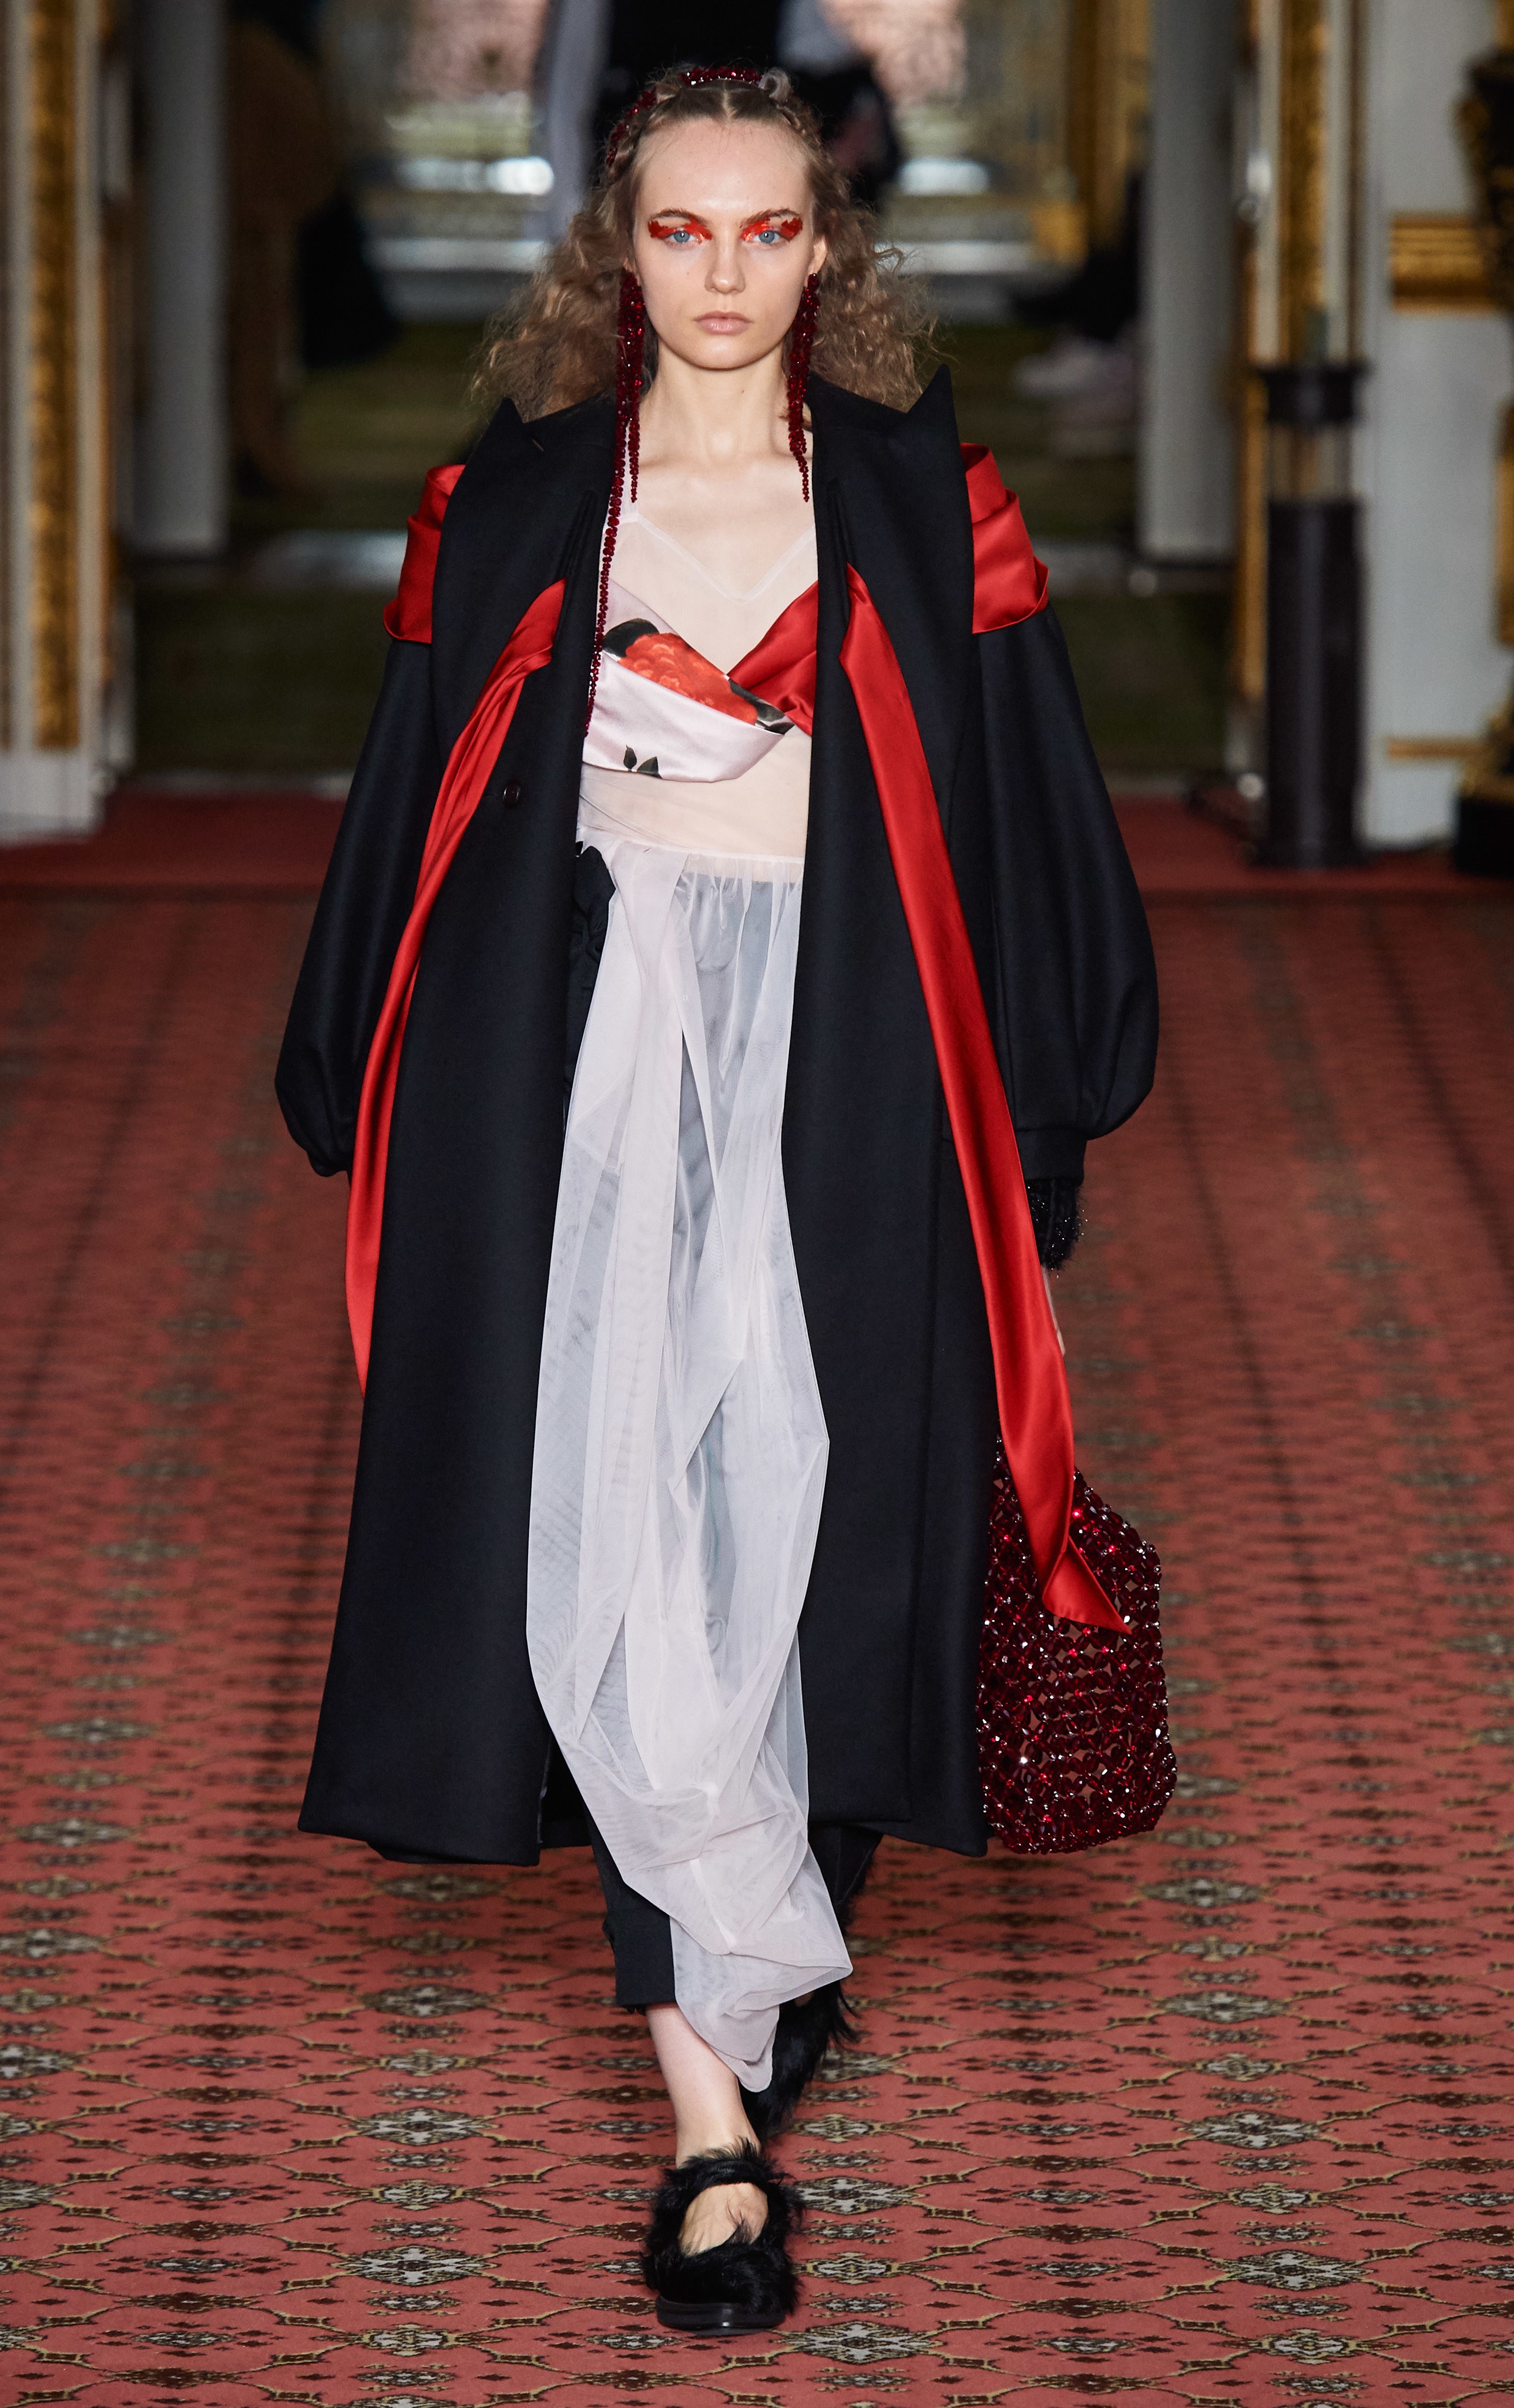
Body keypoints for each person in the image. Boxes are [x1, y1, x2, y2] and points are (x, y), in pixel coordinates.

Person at [276, 65, 1157, 2339]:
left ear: (825, 251)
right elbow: (412, 797)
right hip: (584, 1062)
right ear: (618, 248)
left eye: (770, 231)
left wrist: (1048, 1102)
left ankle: (770, 1915)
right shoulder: (509, 506)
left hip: (860, 1059)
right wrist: (357, 1061)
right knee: (625, 1524)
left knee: (825, 1527)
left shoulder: (926, 502)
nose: (726, 274)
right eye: (682, 231)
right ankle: (708, 2128)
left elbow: (1026, 803)